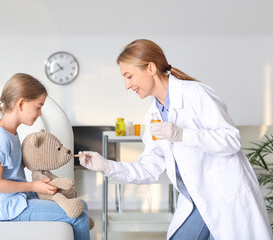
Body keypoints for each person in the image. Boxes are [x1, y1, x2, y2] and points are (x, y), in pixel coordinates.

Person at [79, 39, 272, 240]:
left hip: (224, 199)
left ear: (151, 68)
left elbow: (231, 140)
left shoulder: (195, 93)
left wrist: (182, 135)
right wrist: (106, 166)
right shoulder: (153, 114)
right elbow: (149, 168)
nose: (127, 85)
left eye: (129, 76)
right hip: (194, 201)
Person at [0, 73, 90, 240]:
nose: (40, 113)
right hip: (6, 206)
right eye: (38, 107)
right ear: (21, 103)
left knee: (81, 205)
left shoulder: (11, 133)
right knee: (79, 217)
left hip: (17, 199)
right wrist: (34, 186)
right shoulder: (0, 138)